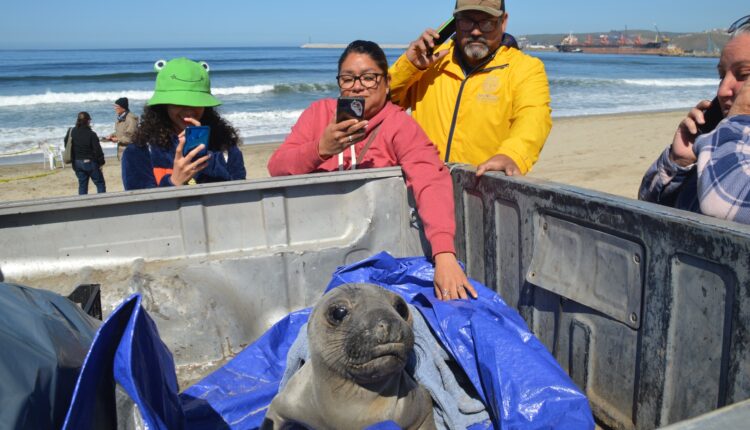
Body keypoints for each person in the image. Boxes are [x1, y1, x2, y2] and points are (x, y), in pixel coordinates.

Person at [268, 40, 477, 302]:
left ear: (387, 82)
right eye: (347, 78)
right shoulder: (319, 115)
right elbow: (277, 168)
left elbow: (430, 178)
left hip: (380, 255)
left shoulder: (398, 124)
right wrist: (321, 148)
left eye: (369, 78)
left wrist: (444, 254)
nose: (357, 86)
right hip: (319, 247)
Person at [388, 0, 552, 176]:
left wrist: (513, 155)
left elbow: (534, 116)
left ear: (503, 22)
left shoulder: (524, 68)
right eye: (466, 21)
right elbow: (382, 106)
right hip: (423, 183)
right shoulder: (430, 62)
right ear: (454, 23)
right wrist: (409, 67)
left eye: (487, 22)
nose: (475, 31)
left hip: (481, 186)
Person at [639, 16, 750, 223]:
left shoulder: (730, 137)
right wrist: (678, 162)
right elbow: (644, 211)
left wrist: (739, 120)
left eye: (744, 74)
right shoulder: (715, 146)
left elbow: (725, 205)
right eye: (721, 76)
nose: (723, 90)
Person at [122, 58, 246, 190]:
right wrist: (173, 182)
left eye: (197, 101)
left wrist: (203, 159)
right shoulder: (141, 152)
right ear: (164, 105)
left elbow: (238, 197)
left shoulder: (225, 148)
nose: (189, 110)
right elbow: (140, 206)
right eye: (178, 102)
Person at [65, 112, 106, 195]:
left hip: (77, 162)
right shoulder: (91, 134)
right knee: (100, 183)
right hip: (90, 162)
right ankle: (102, 203)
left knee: (82, 185)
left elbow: (66, 144)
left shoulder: (72, 131)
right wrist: (101, 162)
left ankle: (82, 204)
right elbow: (98, 150)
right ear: (88, 121)